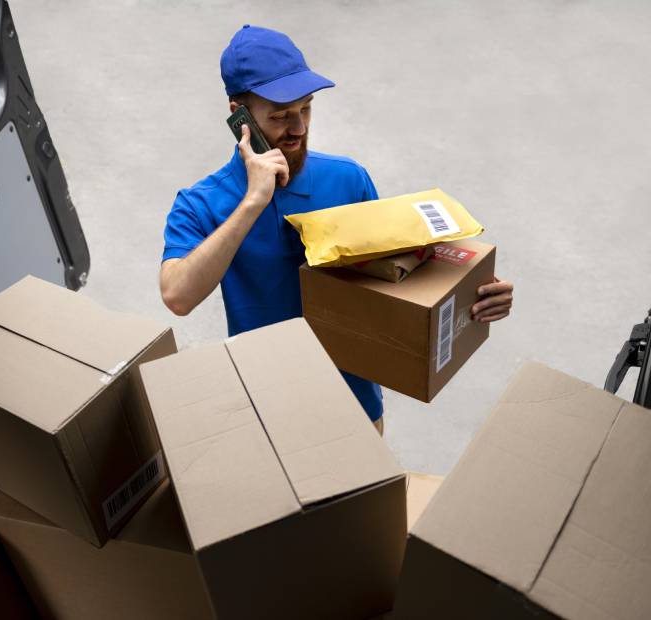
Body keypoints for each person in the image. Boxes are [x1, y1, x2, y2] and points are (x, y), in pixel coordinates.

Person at [159, 25, 514, 434]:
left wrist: (474, 292)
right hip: (264, 414)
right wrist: (253, 201)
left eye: (305, 109)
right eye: (279, 116)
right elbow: (177, 295)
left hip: (356, 409)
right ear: (238, 114)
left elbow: (397, 274)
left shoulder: (347, 179)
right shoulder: (201, 202)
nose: (298, 128)